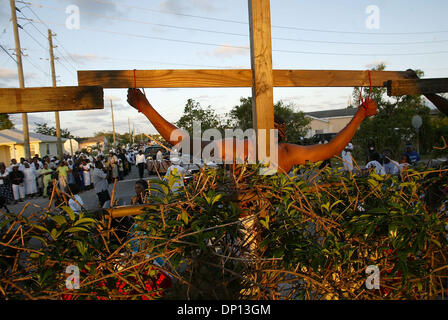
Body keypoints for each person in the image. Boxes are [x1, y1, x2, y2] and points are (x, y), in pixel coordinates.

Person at [126, 88, 378, 174]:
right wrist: (146, 108)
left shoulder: (285, 153)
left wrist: (360, 115)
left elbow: (331, 149)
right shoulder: (239, 147)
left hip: (273, 225)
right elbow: (182, 142)